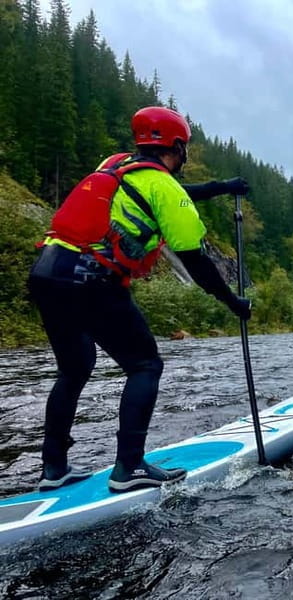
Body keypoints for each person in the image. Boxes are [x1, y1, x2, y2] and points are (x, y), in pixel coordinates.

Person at [27, 106, 251, 493]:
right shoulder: (162, 186)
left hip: (48, 271)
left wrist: (219, 187)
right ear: (177, 147)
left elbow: (165, 193)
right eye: (185, 149)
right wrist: (234, 303)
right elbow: (196, 260)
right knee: (145, 364)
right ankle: (128, 468)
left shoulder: (114, 164)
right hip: (91, 280)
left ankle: (53, 468)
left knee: (75, 368)